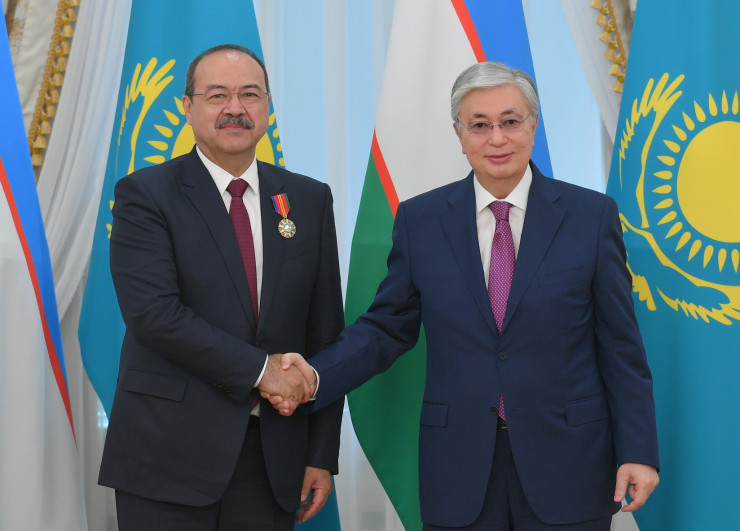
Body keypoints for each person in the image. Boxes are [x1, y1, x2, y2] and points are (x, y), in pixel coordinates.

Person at [270, 62, 660, 530]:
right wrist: (314, 375)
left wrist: (639, 450)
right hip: (459, 469)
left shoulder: (590, 216)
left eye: (510, 121)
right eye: (479, 125)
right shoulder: (421, 220)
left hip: (570, 465)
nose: (497, 138)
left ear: (533, 125)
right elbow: (386, 328)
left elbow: (620, 346)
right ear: (458, 133)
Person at [98, 44, 344, 530]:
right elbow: (154, 315)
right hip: (167, 455)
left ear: (267, 106)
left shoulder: (308, 198)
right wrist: (262, 371)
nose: (235, 108)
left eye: (249, 94)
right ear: (188, 107)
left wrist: (320, 453)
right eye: (217, 95)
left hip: (273, 457)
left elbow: (324, 331)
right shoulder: (145, 194)